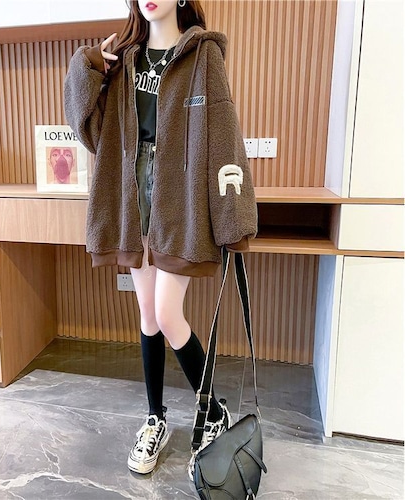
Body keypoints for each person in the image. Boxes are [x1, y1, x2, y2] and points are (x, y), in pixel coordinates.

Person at [64, 0, 257, 479]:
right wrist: (89, 65)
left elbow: (224, 134)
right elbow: (86, 127)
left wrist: (232, 212)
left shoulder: (202, 55)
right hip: (131, 194)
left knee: (169, 313)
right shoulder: (124, 60)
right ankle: (155, 419)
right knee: (148, 313)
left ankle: (213, 410)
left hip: (178, 195)